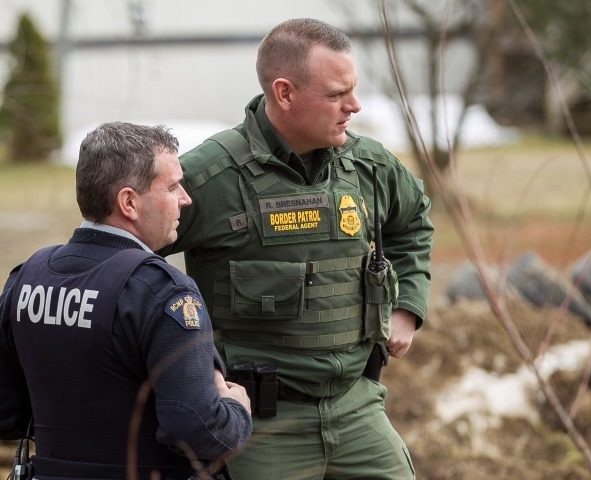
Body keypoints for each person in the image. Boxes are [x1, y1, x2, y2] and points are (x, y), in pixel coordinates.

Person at [160, 18, 433, 480]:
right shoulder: (210, 177)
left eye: (352, 90)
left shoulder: (369, 166)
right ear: (284, 93)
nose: (354, 106)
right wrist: (188, 369)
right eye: (334, 95)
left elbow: (412, 223)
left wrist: (407, 306)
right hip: (260, 424)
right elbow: (132, 263)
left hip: (355, 405)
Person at [0, 122, 252, 480]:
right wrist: (235, 408)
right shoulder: (162, 291)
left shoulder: (26, 277)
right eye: (172, 186)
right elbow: (198, 432)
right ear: (129, 202)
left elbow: (7, 413)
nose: (186, 198)